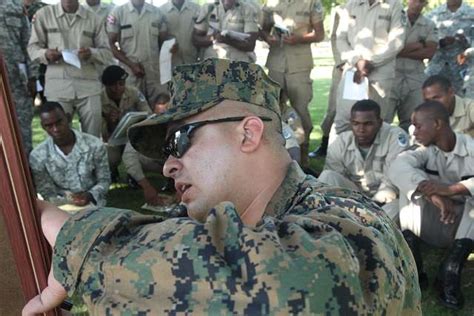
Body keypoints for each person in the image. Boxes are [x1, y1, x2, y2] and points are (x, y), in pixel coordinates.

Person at [22, 58, 420, 315]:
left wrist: (80, 236)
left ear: (248, 134)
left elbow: (286, 290)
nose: (167, 164)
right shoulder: (222, 225)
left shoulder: (352, 218)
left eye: (180, 141)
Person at [388, 101, 473, 309]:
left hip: (464, 228)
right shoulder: (423, 149)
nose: (413, 131)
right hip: (433, 221)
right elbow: (398, 166)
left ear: (437, 124)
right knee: (408, 189)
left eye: (418, 126)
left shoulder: (470, 148)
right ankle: (413, 266)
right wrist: (433, 195)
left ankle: (450, 270)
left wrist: (450, 189)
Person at [27, 0, 112, 138]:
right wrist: (45, 54)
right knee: (58, 136)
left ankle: (91, 160)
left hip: (88, 85)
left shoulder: (94, 18)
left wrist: (91, 53)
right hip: (58, 85)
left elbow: (107, 53)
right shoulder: (44, 14)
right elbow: (32, 48)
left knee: (93, 136)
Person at [319, 99, 409, 220]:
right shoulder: (341, 142)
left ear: (380, 122)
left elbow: (394, 180)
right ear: (351, 123)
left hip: (386, 199)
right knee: (327, 176)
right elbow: (334, 182)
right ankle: (327, 223)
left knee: (397, 209)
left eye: (368, 124)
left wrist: (371, 209)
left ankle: (376, 232)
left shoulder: (395, 137)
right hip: (356, 196)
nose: (361, 129)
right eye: (356, 123)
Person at [261, 0, 325, 167]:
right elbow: (263, 29)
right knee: (272, 109)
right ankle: (274, 159)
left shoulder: (311, 3)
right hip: (276, 63)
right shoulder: (271, 3)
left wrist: (299, 38)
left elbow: (320, 34)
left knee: (301, 113)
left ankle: (303, 162)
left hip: (299, 66)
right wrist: (268, 37)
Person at [334, 0, 406, 134]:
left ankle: (376, 155)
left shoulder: (395, 6)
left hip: (381, 73)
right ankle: (338, 154)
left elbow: (397, 41)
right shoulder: (351, 5)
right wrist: (357, 61)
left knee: (378, 122)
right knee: (344, 121)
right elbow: (341, 38)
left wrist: (371, 62)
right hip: (353, 72)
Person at [29, 102, 111, 209]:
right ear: (43, 127)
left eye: (59, 122)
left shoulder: (94, 145)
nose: (55, 129)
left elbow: (104, 180)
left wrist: (90, 195)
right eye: (49, 126)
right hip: (61, 206)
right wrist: (66, 203)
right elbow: (47, 192)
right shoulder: (38, 156)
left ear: (68, 118)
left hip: (94, 202)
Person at [106, 0, 168, 105]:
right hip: (129, 71)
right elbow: (110, 44)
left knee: (160, 107)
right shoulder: (118, 12)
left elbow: (163, 43)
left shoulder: (157, 13)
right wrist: (131, 65)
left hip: (153, 71)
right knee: (132, 108)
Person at [388, 0, 437, 132]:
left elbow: (430, 52)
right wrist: (418, 45)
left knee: (413, 122)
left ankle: (410, 151)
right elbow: (384, 48)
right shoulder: (393, 18)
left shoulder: (429, 24)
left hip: (415, 77)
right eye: (415, 0)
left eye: (422, 2)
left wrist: (397, 50)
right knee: (383, 119)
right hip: (391, 75)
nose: (418, 4)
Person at [101, 65, 151, 181]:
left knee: (139, 154)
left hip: (133, 136)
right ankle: (110, 171)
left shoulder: (133, 92)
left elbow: (148, 113)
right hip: (111, 140)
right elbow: (101, 133)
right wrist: (109, 121)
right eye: (113, 85)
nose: (118, 88)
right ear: (106, 86)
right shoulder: (99, 99)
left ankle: (133, 175)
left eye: (121, 83)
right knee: (110, 157)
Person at [122, 93, 171, 205]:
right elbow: (128, 154)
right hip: (158, 161)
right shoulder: (145, 126)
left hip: (173, 160)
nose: (161, 120)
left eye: (165, 115)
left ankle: (174, 181)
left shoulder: (181, 125)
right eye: (158, 116)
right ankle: (136, 179)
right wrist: (146, 186)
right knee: (134, 155)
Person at [0, 0, 35, 154]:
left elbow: (28, 44)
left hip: (16, 83)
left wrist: (33, 76)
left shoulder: (15, 6)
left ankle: (25, 172)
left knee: (22, 133)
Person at [309, 5, 343, 158]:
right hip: (342, 68)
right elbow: (335, 38)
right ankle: (325, 144)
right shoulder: (342, 10)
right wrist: (341, 61)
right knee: (333, 109)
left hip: (368, 68)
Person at [425, 0, 474, 95]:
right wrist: (441, 43)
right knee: (434, 101)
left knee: (461, 103)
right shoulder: (433, 15)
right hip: (437, 68)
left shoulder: (471, 14)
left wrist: (465, 40)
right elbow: (424, 40)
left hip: (462, 70)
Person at [192, 0, 258, 63]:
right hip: (211, 64)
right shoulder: (208, 8)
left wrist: (227, 40)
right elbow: (196, 39)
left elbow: (250, 45)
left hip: (237, 65)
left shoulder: (247, 10)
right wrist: (213, 38)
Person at [160, 0, 200, 67]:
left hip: (192, 60)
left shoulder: (196, 9)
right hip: (171, 62)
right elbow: (159, 38)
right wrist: (168, 44)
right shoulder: (161, 11)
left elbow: (202, 35)